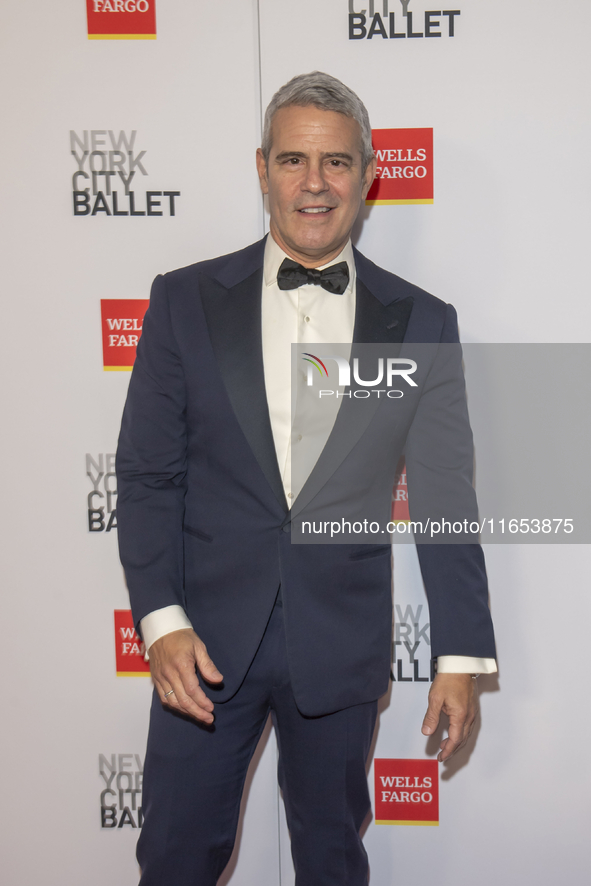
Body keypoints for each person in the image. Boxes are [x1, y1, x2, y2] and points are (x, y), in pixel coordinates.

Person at [116, 71, 497, 886]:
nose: (313, 184)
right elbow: (148, 477)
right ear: (262, 170)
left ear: (368, 174)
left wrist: (460, 656)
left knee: (331, 857)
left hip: (339, 642)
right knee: (177, 858)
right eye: (292, 161)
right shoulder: (183, 302)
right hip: (201, 649)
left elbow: (443, 494)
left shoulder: (422, 322)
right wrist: (160, 621)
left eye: (335, 163)